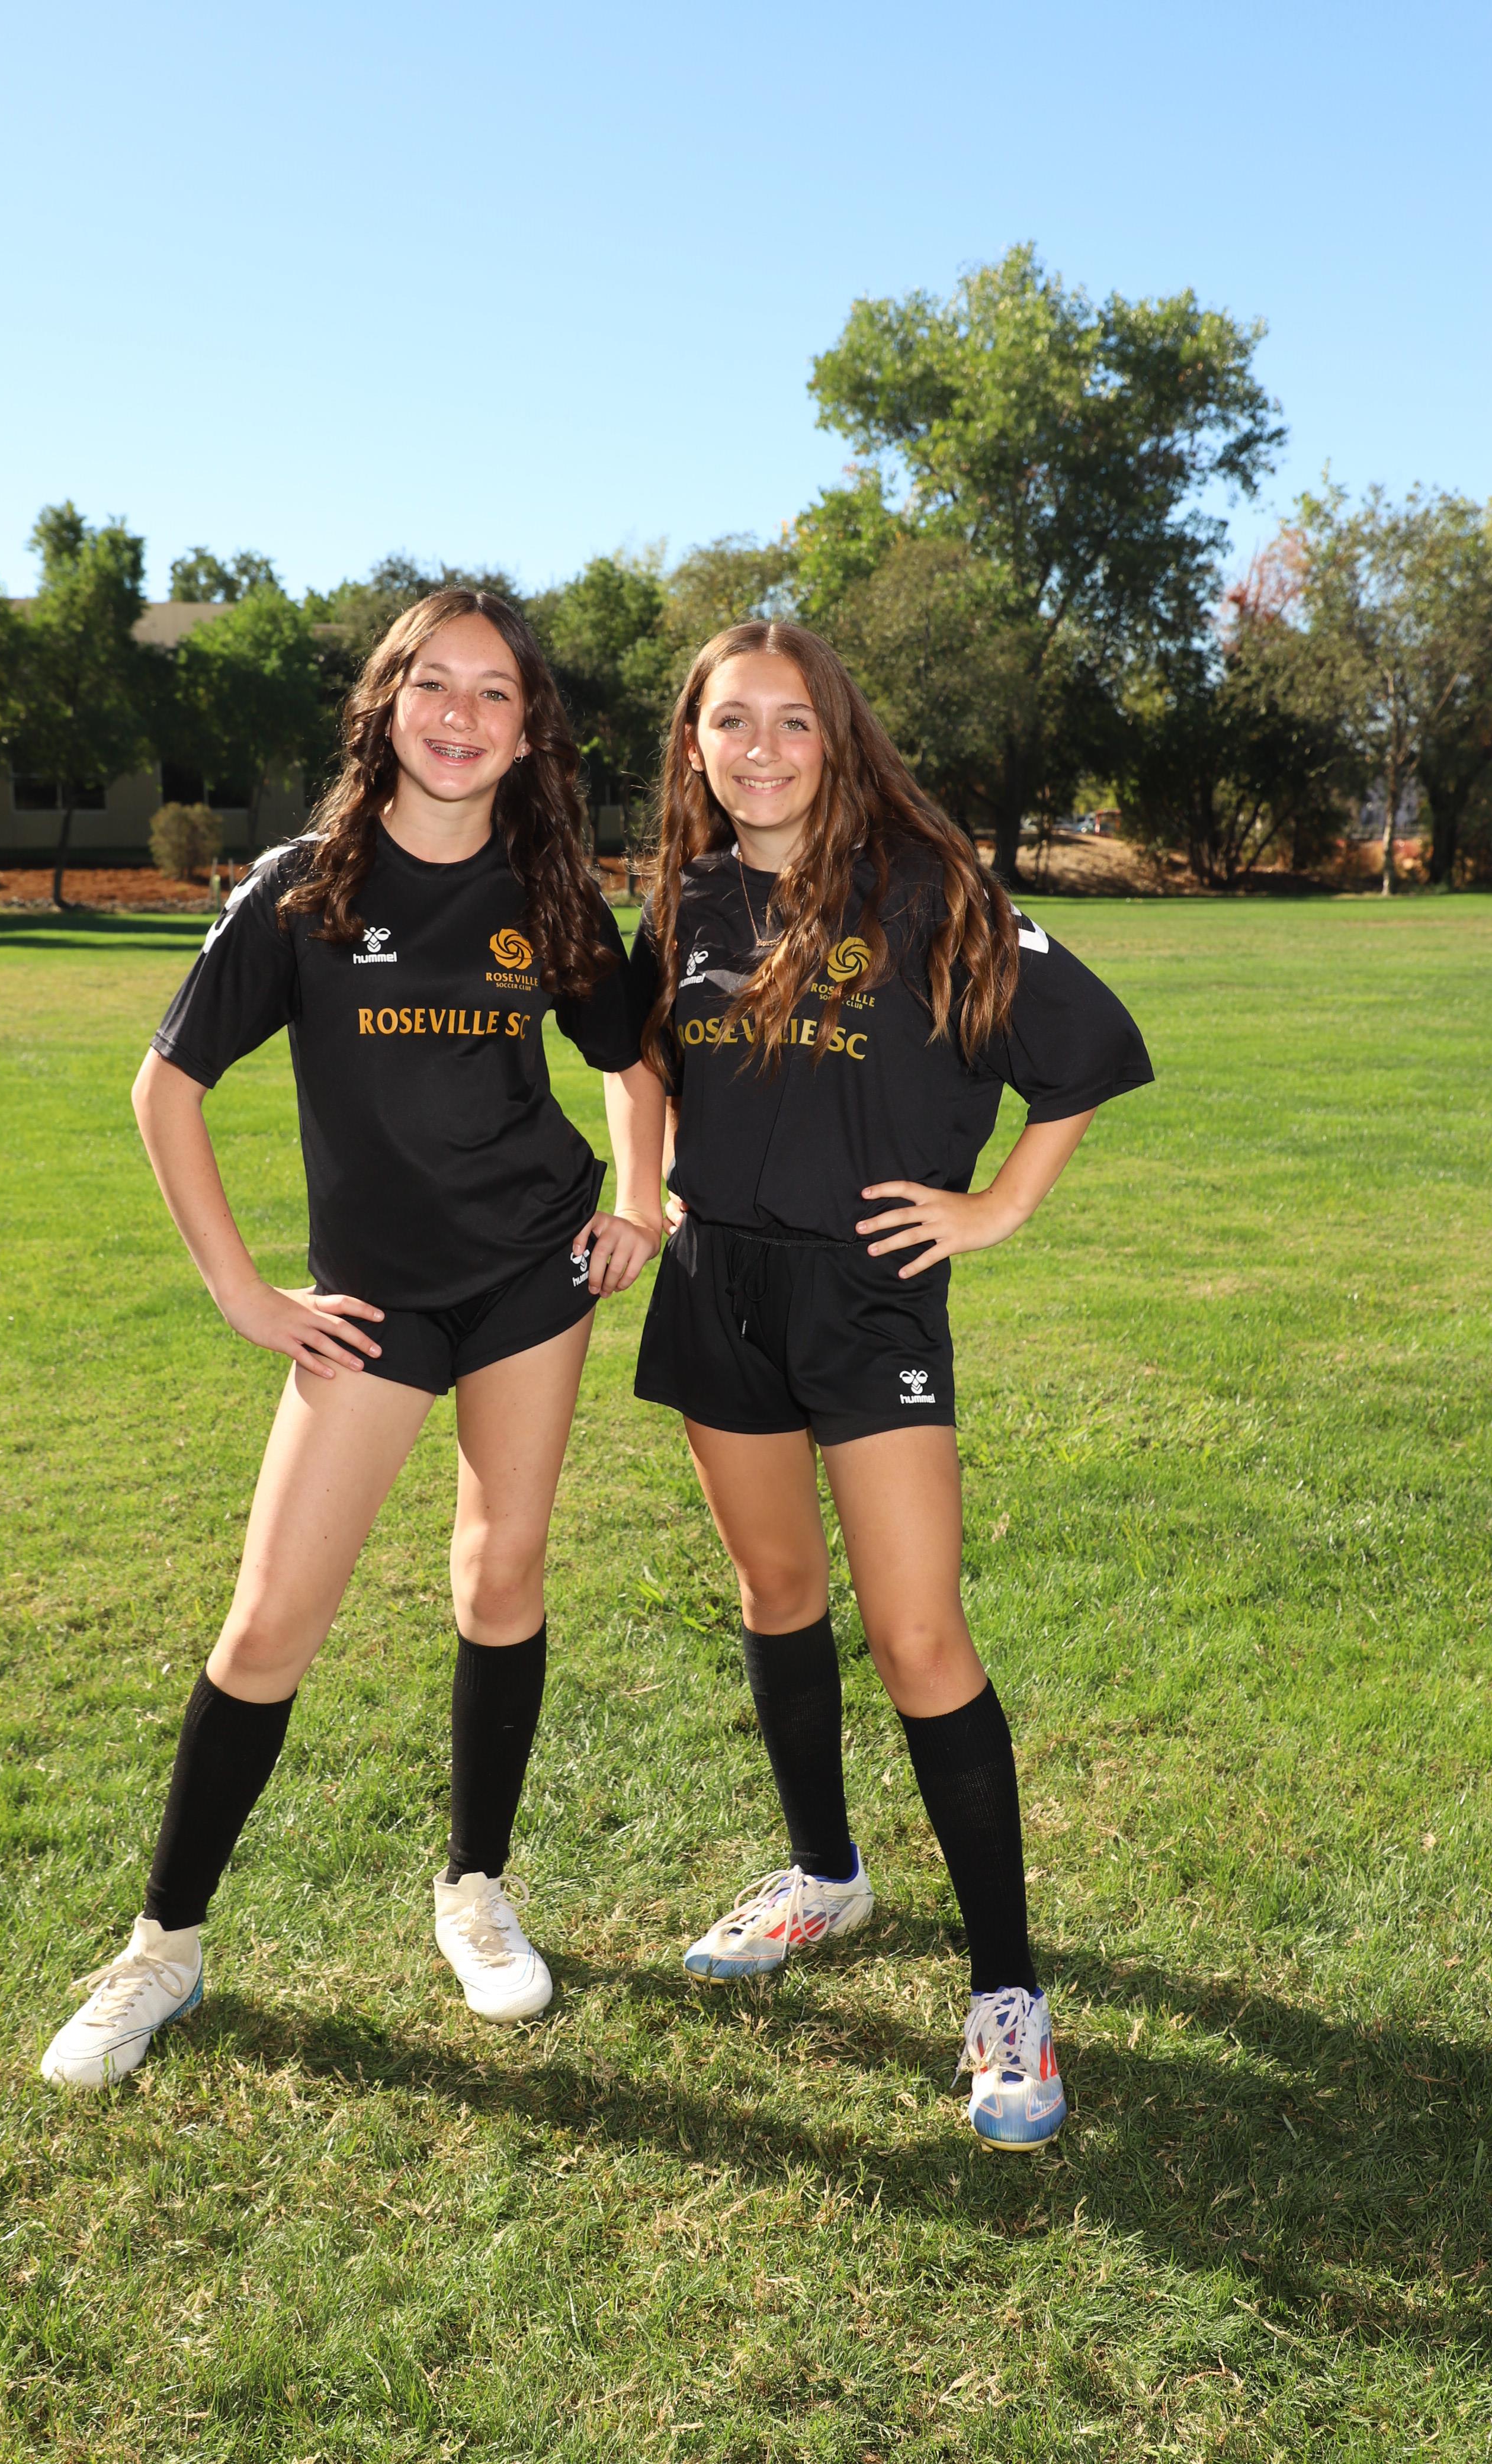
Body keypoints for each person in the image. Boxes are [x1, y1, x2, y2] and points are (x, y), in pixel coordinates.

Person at [41, 591, 663, 2089]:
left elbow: (632, 1055)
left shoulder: (548, 885)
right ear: (386, 703)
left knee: (499, 1575)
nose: (462, 716)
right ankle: (163, 1948)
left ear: (529, 731)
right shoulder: (304, 887)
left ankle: (475, 1888)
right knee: (270, 1622)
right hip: (372, 1309)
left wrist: (640, 1197)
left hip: (530, 1277)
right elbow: (165, 1089)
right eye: (434, 684)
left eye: (495, 693)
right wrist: (244, 1293)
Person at [628, 621, 1152, 2149]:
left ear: (838, 736)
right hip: (717, 1285)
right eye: (733, 721)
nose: (763, 750)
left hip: (867, 1296)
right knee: (776, 1590)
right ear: (695, 744)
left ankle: (1007, 1991)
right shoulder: (686, 896)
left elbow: (1089, 1048)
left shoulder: (929, 889)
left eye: (794, 720)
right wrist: (646, 1182)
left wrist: (994, 1208)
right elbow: (639, 1050)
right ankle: (825, 1875)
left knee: (920, 1635)